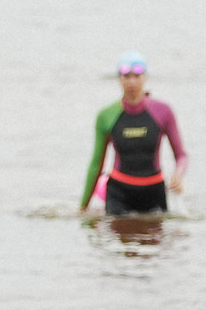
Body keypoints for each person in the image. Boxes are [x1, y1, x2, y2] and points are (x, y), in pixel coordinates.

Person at [81, 53, 189, 215]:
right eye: (126, 76)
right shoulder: (106, 115)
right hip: (119, 193)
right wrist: (83, 206)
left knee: (156, 237)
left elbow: (181, 156)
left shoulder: (163, 112)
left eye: (137, 76)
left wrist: (178, 175)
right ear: (119, 79)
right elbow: (97, 163)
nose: (132, 81)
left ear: (145, 78)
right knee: (116, 239)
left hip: (154, 192)